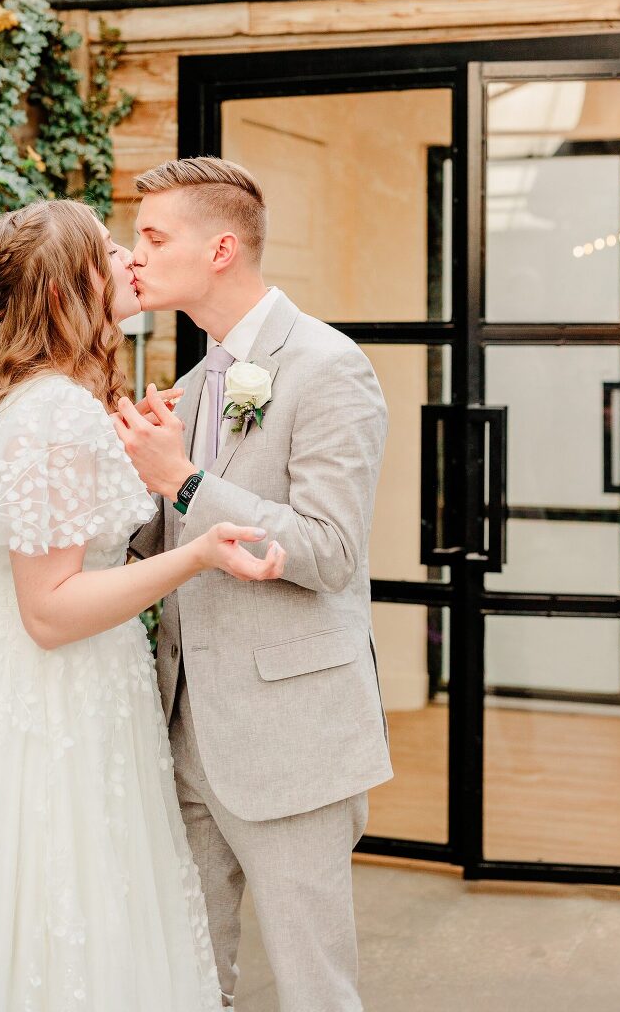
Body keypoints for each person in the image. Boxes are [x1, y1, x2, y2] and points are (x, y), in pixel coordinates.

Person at [0, 198, 285, 1012]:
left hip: (51, 690)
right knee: (57, 917)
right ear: (65, 295)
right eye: (109, 250)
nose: (131, 258)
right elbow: (50, 612)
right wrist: (195, 555)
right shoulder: (54, 412)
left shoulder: (57, 396)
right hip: (46, 705)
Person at [118, 157, 393, 1012]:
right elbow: (152, 547)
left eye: (154, 237)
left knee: (316, 991)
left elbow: (329, 548)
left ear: (222, 248)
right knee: (193, 983)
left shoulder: (329, 366)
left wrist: (186, 482)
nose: (135, 255)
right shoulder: (194, 381)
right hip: (181, 732)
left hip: (291, 741)